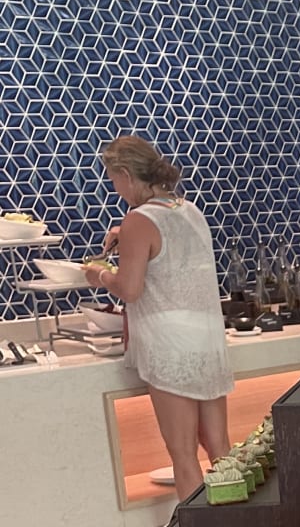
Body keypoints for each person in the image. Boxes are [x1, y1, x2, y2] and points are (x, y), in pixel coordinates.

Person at [83, 138, 233, 502]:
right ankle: (240, 523)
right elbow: (170, 253)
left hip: (170, 346)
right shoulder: (189, 209)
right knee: (220, 447)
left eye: (113, 180)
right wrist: (127, 237)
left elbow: (129, 289)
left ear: (125, 174)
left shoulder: (138, 220)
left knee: (183, 453)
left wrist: (98, 274)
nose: (115, 189)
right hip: (207, 339)